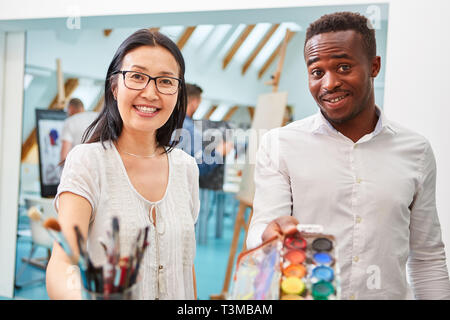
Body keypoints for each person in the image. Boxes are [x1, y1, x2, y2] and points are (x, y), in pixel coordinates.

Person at [246, 12, 450, 300]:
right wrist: (266, 235)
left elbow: (427, 256)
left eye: (343, 67)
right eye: (317, 72)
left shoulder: (416, 151)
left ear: (374, 66)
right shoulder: (280, 144)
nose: (329, 84)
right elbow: (260, 231)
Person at [46, 29, 200, 300]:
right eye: (137, 77)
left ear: (177, 92)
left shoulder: (186, 168)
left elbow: (186, 265)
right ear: (114, 87)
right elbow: (63, 262)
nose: (150, 93)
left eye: (165, 81)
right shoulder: (89, 161)